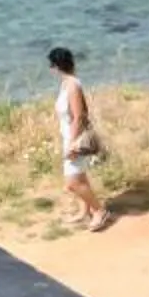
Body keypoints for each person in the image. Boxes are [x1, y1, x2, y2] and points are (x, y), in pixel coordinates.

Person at [50, 46, 111, 231]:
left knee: (72, 182)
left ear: (55, 66)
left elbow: (79, 116)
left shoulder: (73, 85)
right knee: (81, 176)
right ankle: (85, 211)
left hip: (75, 139)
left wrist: (72, 144)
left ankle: (100, 211)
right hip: (68, 136)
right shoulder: (66, 83)